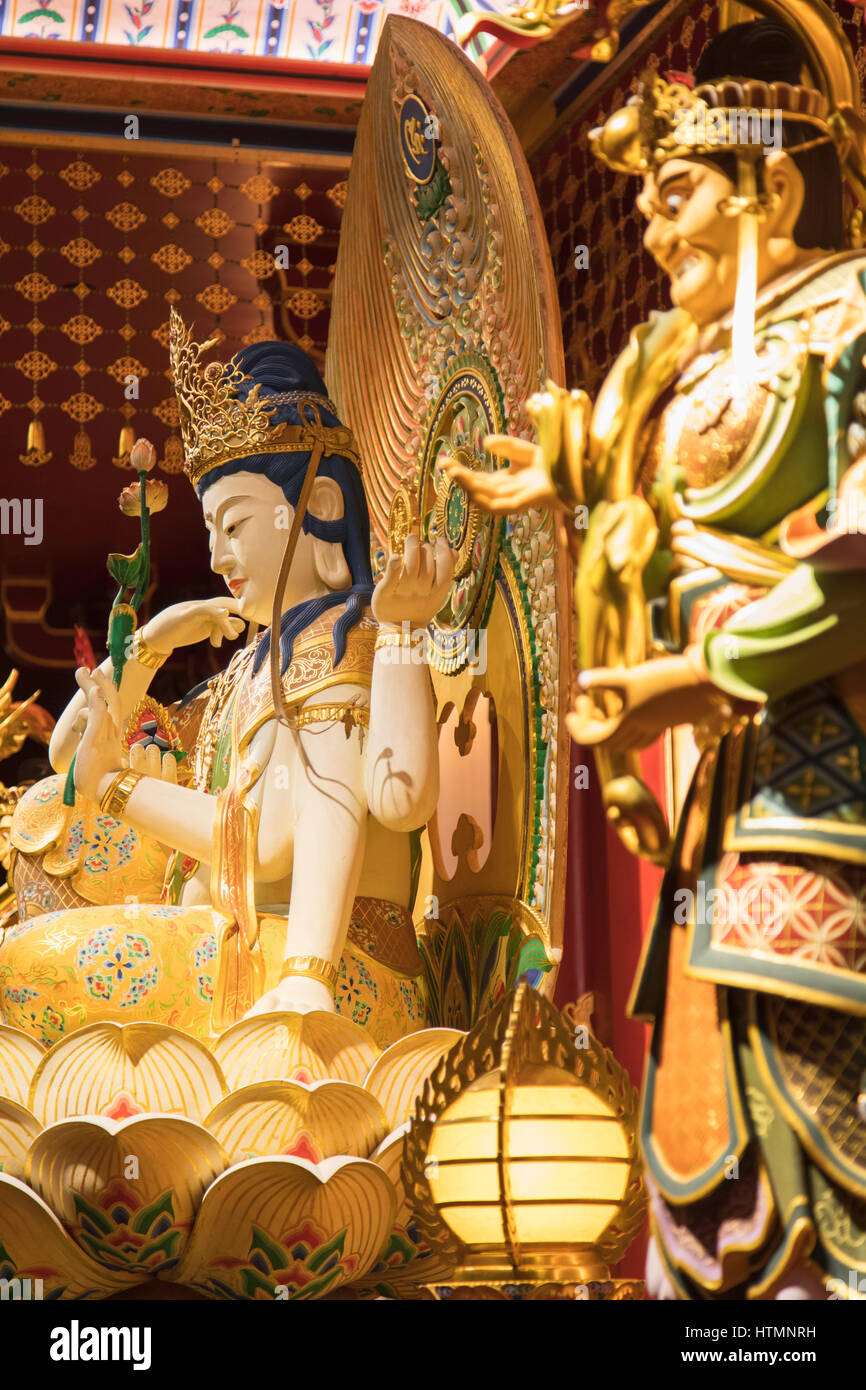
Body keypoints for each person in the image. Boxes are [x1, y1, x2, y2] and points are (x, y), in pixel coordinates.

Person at [448, 17, 866, 1299]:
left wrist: (707, 671)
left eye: (675, 193)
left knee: (815, 1132)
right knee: (707, 1131)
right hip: (727, 794)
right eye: (638, 202)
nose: (647, 228)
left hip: (827, 769)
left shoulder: (850, 317)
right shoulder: (681, 361)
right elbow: (667, 493)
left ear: (772, 187)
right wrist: (570, 472)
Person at [0, 312, 452, 1049]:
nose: (215, 556)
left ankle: (304, 980)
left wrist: (121, 789)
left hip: (326, 971)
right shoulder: (253, 663)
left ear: (323, 509)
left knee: (22, 973)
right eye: (210, 529)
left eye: (235, 525)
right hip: (243, 936)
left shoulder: (338, 645)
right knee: (45, 817)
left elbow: (282, 837)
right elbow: (68, 760)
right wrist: (154, 639)